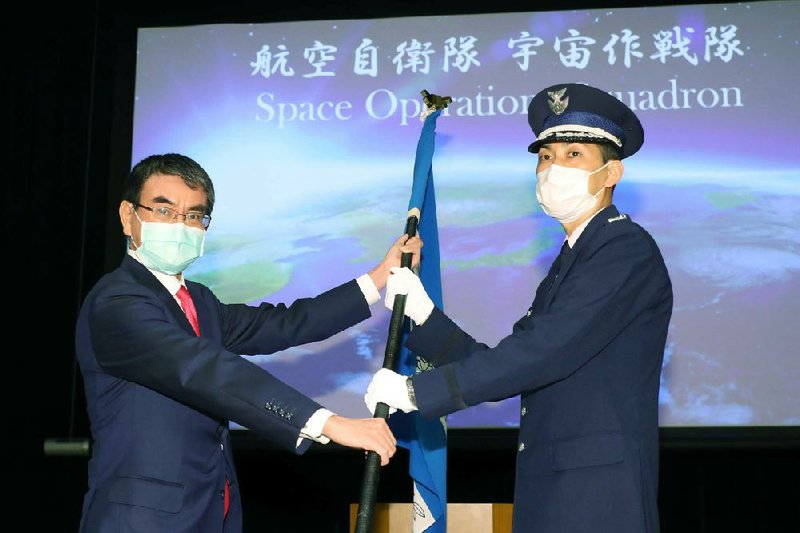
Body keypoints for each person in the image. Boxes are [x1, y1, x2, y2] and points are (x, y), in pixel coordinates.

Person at [364, 83, 673, 532]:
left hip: (597, 499)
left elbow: (541, 352)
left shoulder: (622, 248)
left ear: (611, 174)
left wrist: (417, 393)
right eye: (545, 157)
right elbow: (514, 356)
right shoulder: (575, 256)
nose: (552, 170)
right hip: (556, 491)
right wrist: (425, 317)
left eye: (573, 156)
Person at [75, 152, 421, 532]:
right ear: (128, 216)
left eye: (193, 215)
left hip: (210, 514)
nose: (180, 225)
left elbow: (286, 323)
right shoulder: (116, 303)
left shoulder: (199, 301)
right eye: (164, 211)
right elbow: (204, 369)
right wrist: (329, 422)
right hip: (141, 521)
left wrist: (380, 276)